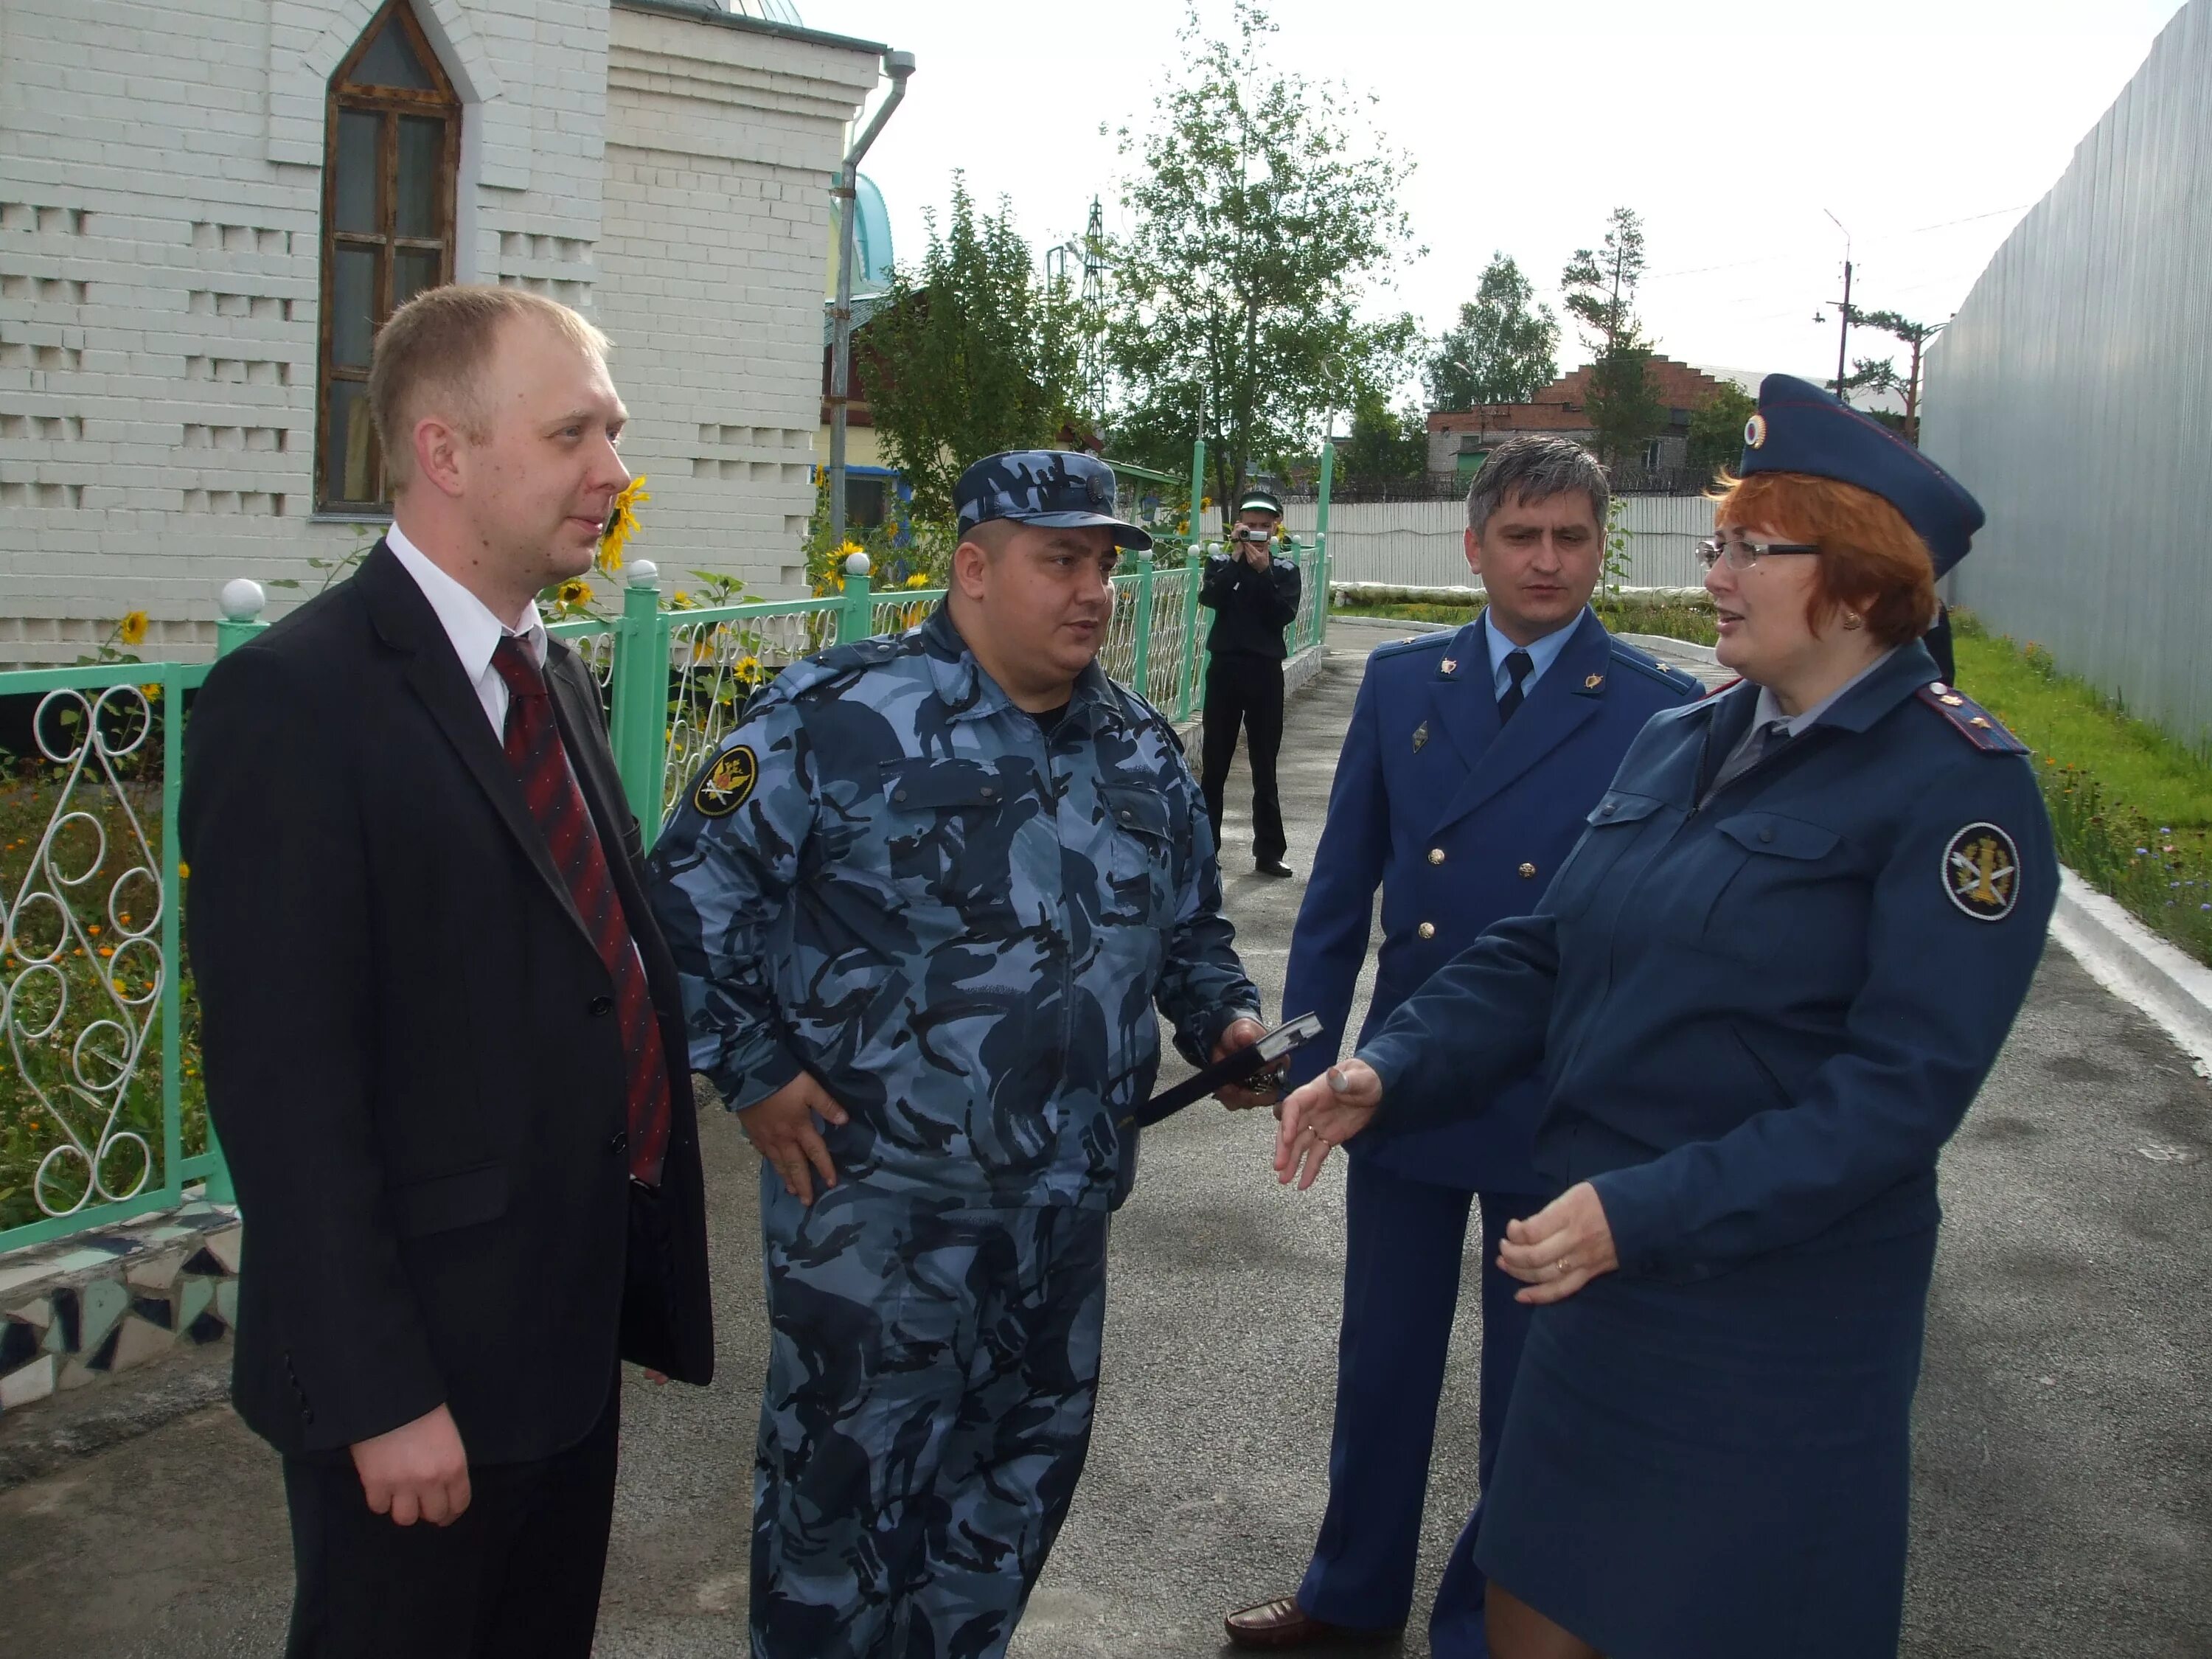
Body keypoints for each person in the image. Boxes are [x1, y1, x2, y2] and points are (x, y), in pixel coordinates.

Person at [1273, 373, 2056, 1659]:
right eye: (1720, 543)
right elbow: (1540, 953)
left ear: (1857, 582)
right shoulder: (1686, 739)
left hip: (1768, 1334)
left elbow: (1894, 1100)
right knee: (1536, 1614)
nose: (1717, 575)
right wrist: (1392, 1068)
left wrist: (1643, 1210)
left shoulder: (1954, 792)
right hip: (1597, 1301)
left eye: (1752, 548)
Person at [647, 449, 1273, 1659]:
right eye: (1061, 561)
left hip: (1059, 1228)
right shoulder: (834, 718)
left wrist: (1229, 1025)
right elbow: (677, 911)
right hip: (875, 1225)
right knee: (837, 1523)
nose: (1091, 590)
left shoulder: (1138, 747)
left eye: (1101, 563)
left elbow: (1188, 930)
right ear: (974, 568)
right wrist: (759, 1075)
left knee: (1004, 1513)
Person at [181, 285, 714, 1658]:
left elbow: (583, 968)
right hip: (418, 1388)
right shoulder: (296, 700)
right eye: (573, 435)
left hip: (559, 1355)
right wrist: (378, 1397)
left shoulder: (556, 678)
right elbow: (285, 1092)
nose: (613, 473)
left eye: (615, 432)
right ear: (444, 453)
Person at [1225, 436, 1702, 1655]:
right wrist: (1313, 1056)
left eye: (1574, 538)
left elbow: (1662, 939)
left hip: (1563, 1095)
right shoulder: (1404, 685)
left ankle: (1492, 1623)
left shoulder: (1660, 712)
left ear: (1602, 550)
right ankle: (1348, 1595)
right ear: (1474, 545)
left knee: (1532, 1384)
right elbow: (1341, 900)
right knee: (1382, 1359)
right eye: (1523, 536)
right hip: (1409, 1082)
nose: (1548, 562)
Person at [1200, 484, 1303, 877]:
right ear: (1238, 525)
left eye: (1263, 526)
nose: (1256, 532)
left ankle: (1269, 852)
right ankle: (1206, 849)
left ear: (1275, 528)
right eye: (1249, 525)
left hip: (1264, 673)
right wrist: (1236, 560)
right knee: (1214, 764)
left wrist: (1261, 571)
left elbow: (1281, 615)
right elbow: (1210, 599)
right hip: (1225, 669)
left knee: (1265, 763)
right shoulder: (1220, 564)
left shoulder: (1285, 571)